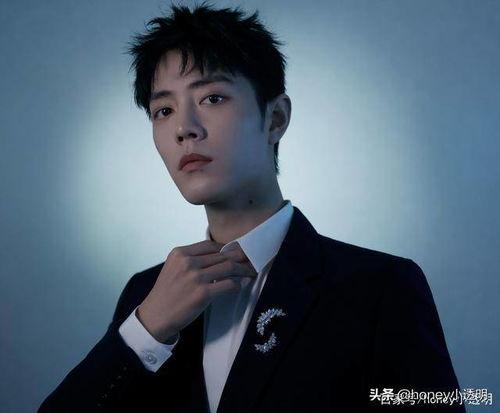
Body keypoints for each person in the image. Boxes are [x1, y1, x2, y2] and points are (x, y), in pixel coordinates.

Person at [38, 3, 464, 412]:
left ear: (275, 118)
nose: (184, 128)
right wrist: (146, 330)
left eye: (212, 98)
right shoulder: (145, 295)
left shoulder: (380, 288)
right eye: (163, 110)